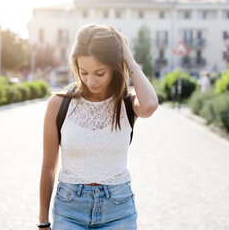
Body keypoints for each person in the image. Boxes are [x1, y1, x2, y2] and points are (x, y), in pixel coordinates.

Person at [38, 24, 158, 230]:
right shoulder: (58, 105)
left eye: (100, 73)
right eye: (83, 72)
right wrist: (43, 222)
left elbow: (150, 105)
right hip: (69, 210)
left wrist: (128, 58)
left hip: (118, 210)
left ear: (115, 67)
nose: (90, 80)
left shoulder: (128, 103)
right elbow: (49, 167)